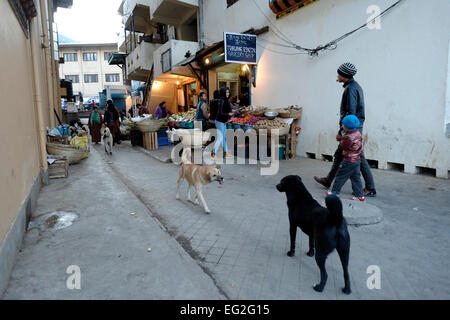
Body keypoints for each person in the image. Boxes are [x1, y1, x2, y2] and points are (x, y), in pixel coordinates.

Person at [314, 63, 377, 197]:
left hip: (352, 127)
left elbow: (351, 112)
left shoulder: (351, 89)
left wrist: (343, 131)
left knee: (358, 156)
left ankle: (370, 188)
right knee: (339, 154)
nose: (337, 76)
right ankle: (328, 180)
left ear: (344, 75)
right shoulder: (353, 86)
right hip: (352, 126)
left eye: (339, 74)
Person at [325, 115, 365, 201]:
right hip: (357, 160)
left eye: (343, 125)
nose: (342, 126)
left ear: (347, 127)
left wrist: (342, 137)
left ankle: (334, 193)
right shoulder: (358, 133)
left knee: (340, 176)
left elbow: (343, 146)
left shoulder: (348, 137)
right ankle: (360, 196)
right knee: (356, 178)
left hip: (348, 161)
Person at [211, 87, 235, 159]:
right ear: (223, 93)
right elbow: (220, 113)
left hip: (223, 121)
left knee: (223, 138)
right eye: (226, 92)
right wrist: (228, 114)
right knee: (220, 138)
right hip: (220, 121)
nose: (227, 94)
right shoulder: (222, 100)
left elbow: (225, 110)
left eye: (228, 92)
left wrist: (231, 112)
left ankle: (226, 153)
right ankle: (213, 153)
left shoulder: (225, 100)